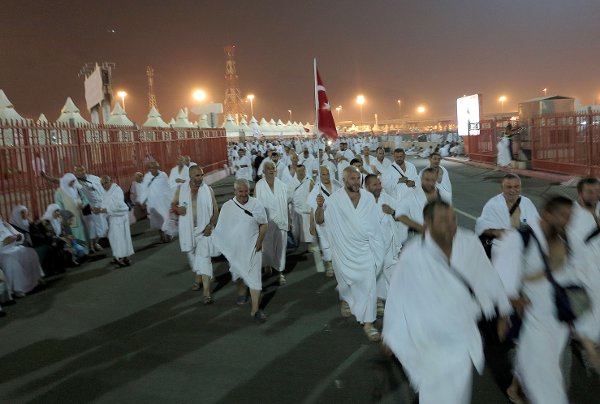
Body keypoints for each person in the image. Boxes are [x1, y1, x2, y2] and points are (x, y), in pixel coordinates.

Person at [383, 200, 512, 404]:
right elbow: (398, 294)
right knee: (434, 393)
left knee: (458, 393)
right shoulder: (413, 254)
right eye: (444, 220)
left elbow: (488, 276)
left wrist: (503, 312)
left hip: (461, 334)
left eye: (453, 219)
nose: (451, 224)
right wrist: (391, 332)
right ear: (428, 223)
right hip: (428, 339)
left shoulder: (469, 242)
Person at [492, 196, 596, 403]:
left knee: (544, 364)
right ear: (547, 214)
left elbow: (577, 273)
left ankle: (516, 389)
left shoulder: (566, 237)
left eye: (570, 216)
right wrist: (506, 310)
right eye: (563, 216)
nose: (568, 221)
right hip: (535, 318)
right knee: (546, 376)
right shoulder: (521, 238)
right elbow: (502, 275)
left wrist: (583, 328)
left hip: (560, 316)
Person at [319, 166, 385, 341]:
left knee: (369, 285)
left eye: (358, 178)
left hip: (365, 250)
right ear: (344, 180)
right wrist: (319, 207)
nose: (356, 182)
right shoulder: (334, 200)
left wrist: (376, 245)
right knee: (348, 283)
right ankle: (345, 298)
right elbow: (320, 220)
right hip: (344, 251)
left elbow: (374, 225)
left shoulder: (368, 198)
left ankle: (369, 324)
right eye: (352, 179)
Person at [212, 179, 269, 321]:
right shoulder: (227, 206)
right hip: (236, 250)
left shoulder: (256, 204)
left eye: (246, 191)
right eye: (240, 191)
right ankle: (242, 291)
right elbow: (221, 228)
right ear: (235, 191)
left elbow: (264, 224)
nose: (244, 194)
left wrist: (260, 242)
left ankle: (255, 309)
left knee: (255, 277)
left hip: (253, 247)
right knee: (238, 274)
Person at [173, 165, 219, 303]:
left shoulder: (208, 190)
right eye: (197, 175)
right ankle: (198, 278)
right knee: (194, 259)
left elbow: (216, 209)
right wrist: (177, 209)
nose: (200, 178)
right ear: (190, 176)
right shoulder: (181, 190)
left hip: (204, 230)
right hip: (188, 231)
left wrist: (210, 225)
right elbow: (173, 204)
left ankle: (206, 292)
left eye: (202, 175)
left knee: (204, 259)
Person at [475, 174, 539, 258]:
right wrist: (496, 232)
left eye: (516, 187)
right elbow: (481, 227)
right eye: (509, 187)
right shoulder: (493, 204)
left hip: (524, 251)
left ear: (520, 187)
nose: (513, 190)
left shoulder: (527, 203)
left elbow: (537, 225)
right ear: (502, 188)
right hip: (500, 251)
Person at [364, 174, 400, 316]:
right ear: (367, 187)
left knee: (393, 274)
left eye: (379, 183)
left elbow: (402, 214)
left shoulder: (387, 199)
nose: (378, 187)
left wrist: (392, 212)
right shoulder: (361, 202)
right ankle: (378, 300)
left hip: (389, 245)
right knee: (375, 274)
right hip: (371, 247)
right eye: (375, 185)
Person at [255, 161, 291, 285]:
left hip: (281, 220)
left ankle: (280, 271)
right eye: (268, 168)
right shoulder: (259, 185)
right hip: (266, 222)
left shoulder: (282, 185)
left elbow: (286, 204)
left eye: (273, 168)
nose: (271, 170)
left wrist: (290, 220)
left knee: (281, 248)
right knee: (267, 247)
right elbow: (255, 205)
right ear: (264, 171)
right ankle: (268, 264)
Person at [395, 168, 451, 244]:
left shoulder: (445, 195)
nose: (430, 183)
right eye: (427, 180)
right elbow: (399, 214)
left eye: (433, 180)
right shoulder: (412, 196)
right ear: (421, 179)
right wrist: (419, 227)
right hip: (418, 237)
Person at [308, 166, 342, 277]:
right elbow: (312, 209)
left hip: (338, 220)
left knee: (339, 242)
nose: (326, 176)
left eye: (327, 173)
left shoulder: (336, 184)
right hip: (323, 221)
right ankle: (329, 264)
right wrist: (311, 225)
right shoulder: (316, 189)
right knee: (326, 242)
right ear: (319, 175)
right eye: (323, 174)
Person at [0, 215, 44, 297]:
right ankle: (18, 289)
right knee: (10, 260)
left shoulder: (5, 224)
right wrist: (4, 242)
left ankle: (36, 280)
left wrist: (19, 237)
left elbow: (19, 235)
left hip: (13, 248)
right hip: (2, 253)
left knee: (30, 253)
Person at [96, 176, 134, 267]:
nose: (104, 185)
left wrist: (103, 210)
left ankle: (122, 258)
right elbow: (104, 204)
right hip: (111, 219)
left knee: (119, 239)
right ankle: (118, 256)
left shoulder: (116, 190)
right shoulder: (105, 192)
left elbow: (119, 206)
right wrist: (100, 210)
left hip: (119, 219)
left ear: (111, 181)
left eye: (106, 182)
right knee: (114, 239)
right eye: (102, 184)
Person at [74, 165, 108, 252]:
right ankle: (92, 246)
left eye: (83, 169)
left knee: (100, 226)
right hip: (87, 206)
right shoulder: (76, 182)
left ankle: (95, 244)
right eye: (79, 170)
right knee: (91, 227)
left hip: (99, 204)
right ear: (76, 173)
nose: (82, 171)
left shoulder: (93, 177)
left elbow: (103, 184)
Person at [140, 161, 175, 242]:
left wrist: (171, 200)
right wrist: (142, 201)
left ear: (157, 168)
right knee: (157, 221)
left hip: (163, 202)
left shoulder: (163, 175)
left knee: (166, 218)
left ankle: (169, 234)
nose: (151, 169)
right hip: (153, 203)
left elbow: (168, 188)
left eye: (153, 168)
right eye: (150, 168)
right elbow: (144, 189)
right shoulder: (147, 177)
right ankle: (162, 235)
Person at [54, 173, 89, 254]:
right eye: (71, 181)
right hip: (69, 219)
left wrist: (83, 205)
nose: (73, 183)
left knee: (82, 235)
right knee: (74, 237)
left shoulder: (76, 189)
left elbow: (85, 199)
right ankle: (78, 254)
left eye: (74, 181)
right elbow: (59, 207)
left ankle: (85, 252)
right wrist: (65, 218)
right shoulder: (59, 193)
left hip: (80, 217)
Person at [39, 204, 77, 270]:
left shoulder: (57, 220)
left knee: (70, 241)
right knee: (62, 244)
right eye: (55, 211)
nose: (58, 213)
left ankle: (70, 261)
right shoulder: (46, 221)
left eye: (58, 211)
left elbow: (62, 233)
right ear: (51, 211)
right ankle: (64, 264)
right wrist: (62, 238)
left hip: (58, 239)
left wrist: (67, 236)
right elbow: (49, 235)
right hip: (50, 241)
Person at [287, 164, 314, 244]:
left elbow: (314, 198)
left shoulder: (310, 181)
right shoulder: (291, 184)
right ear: (296, 171)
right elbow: (287, 200)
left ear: (305, 171)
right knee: (296, 236)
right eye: (299, 171)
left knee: (309, 238)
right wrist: (289, 219)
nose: (300, 173)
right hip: (296, 214)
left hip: (308, 214)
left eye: (302, 171)